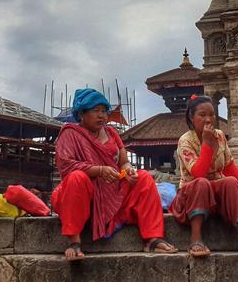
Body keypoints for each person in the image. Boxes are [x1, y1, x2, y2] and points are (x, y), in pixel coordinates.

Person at [51, 87, 178, 261]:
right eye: (96, 111)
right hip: (84, 196)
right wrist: (99, 170)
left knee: (144, 177)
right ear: (82, 113)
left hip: (113, 192)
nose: (102, 116)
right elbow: (66, 165)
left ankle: (153, 238)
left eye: (104, 111)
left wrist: (128, 170)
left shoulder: (111, 133)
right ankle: (74, 241)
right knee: (76, 177)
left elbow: (123, 161)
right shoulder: (70, 133)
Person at [170, 94, 238, 258]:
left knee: (230, 182)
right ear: (192, 117)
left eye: (211, 114)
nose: (208, 119)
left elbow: (229, 167)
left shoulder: (220, 135)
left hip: (216, 193)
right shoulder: (185, 141)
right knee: (202, 182)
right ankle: (196, 238)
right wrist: (208, 144)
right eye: (202, 115)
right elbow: (198, 173)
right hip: (192, 193)